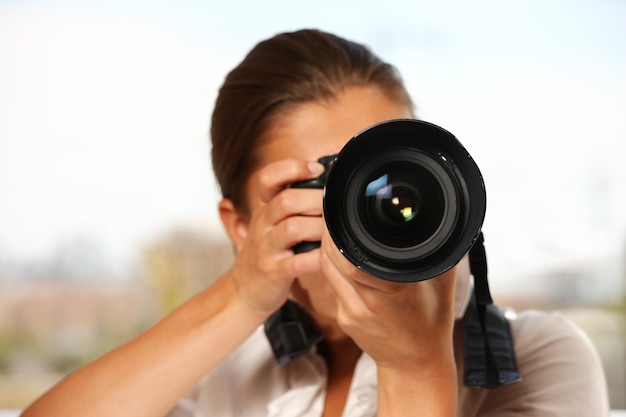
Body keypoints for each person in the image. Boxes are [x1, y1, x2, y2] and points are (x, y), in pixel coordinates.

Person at [21, 28, 609, 417]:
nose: (368, 204)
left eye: (384, 169)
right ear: (242, 226)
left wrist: (418, 369)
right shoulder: (223, 366)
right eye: (324, 185)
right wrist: (239, 298)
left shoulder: (534, 355)